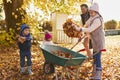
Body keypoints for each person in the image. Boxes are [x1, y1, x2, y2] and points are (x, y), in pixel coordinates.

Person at [74, 3, 105, 80]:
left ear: (96, 12)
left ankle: (98, 75)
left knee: (97, 58)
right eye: (90, 12)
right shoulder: (92, 18)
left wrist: (80, 29)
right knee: (95, 57)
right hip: (94, 41)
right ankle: (94, 73)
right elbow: (85, 25)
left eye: (92, 12)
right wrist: (79, 31)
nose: (90, 13)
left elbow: (90, 29)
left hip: (99, 41)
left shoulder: (98, 19)